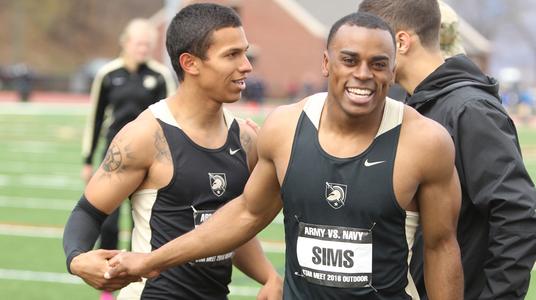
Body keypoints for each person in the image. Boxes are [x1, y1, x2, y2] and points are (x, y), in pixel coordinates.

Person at [105, 12, 464, 299]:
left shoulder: (425, 142)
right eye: (350, 60)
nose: (363, 75)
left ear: (392, 69)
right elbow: (247, 213)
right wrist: (151, 261)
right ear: (327, 63)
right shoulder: (285, 128)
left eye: (378, 64)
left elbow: (440, 247)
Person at [63, 3, 282, 300]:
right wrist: (76, 259)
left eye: (244, 52)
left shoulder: (245, 138)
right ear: (190, 63)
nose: (246, 65)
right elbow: (88, 212)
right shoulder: (145, 136)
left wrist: (269, 277)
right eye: (232, 55)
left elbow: (228, 226)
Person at [358, 1, 536, 299]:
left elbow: (517, 214)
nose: (365, 60)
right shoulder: (415, 105)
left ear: (401, 42)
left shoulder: (469, 110)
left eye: (372, 43)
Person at [79, 19, 175, 300]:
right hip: (114, 157)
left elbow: (170, 119)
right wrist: (88, 159)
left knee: (142, 221)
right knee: (107, 222)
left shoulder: (159, 76)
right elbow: (95, 118)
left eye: (148, 44)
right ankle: (109, 284)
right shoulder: (108, 74)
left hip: (151, 160)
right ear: (126, 43)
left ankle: (139, 280)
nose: (143, 48)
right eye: (138, 43)